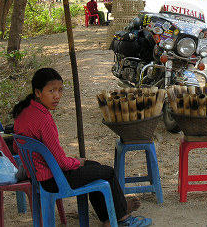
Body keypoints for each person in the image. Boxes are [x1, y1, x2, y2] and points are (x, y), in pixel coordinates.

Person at [12, 68, 151, 227]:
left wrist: (76, 162)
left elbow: (17, 148)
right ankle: (122, 219)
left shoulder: (24, 112)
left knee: (95, 167)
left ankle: (109, 217)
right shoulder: (43, 120)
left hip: (37, 177)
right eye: (51, 91)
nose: (57, 96)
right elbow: (62, 164)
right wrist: (77, 162)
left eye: (60, 90)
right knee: (108, 172)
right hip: (53, 180)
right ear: (38, 92)